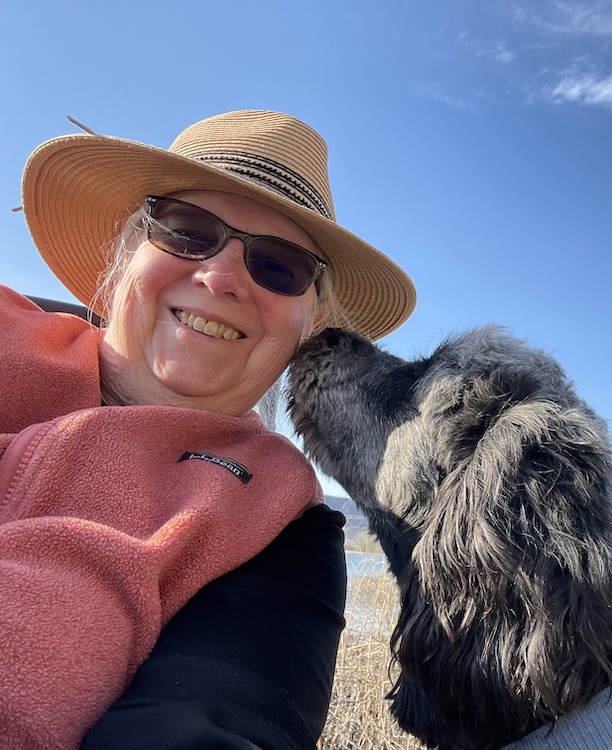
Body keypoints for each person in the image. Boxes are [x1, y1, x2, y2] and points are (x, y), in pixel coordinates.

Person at [0, 110, 417, 748]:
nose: (221, 277)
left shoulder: (280, 523)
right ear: (128, 243)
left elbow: (217, 717)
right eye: (187, 231)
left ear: (311, 323)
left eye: (278, 267)